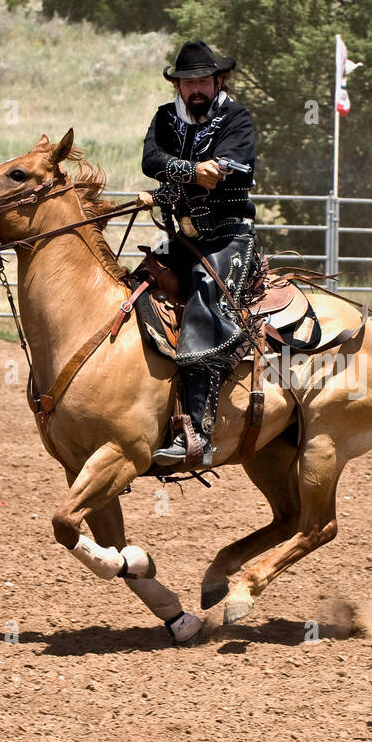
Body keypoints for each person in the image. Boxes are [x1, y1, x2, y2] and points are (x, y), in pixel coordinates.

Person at [138, 40, 259, 468]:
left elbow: (242, 165)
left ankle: (199, 433)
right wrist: (189, 172)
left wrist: (218, 169)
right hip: (181, 238)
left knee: (206, 303)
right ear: (179, 84)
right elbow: (151, 158)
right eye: (188, 82)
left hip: (228, 235)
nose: (195, 89)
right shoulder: (166, 117)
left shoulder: (236, 117)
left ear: (218, 80)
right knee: (136, 287)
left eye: (203, 81)